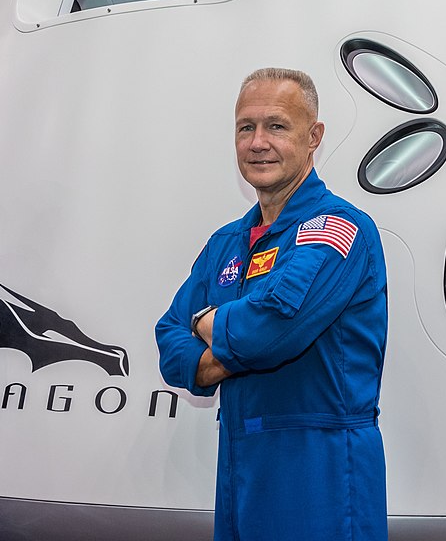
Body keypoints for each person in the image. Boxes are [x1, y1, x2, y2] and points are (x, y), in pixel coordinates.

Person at [156, 68, 388, 541]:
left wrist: (206, 322)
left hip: (319, 471)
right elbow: (168, 337)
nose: (258, 142)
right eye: (246, 127)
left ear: (313, 136)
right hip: (241, 466)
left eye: (277, 126)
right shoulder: (226, 243)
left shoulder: (339, 230)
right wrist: (222, 339)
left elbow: (269, 331)